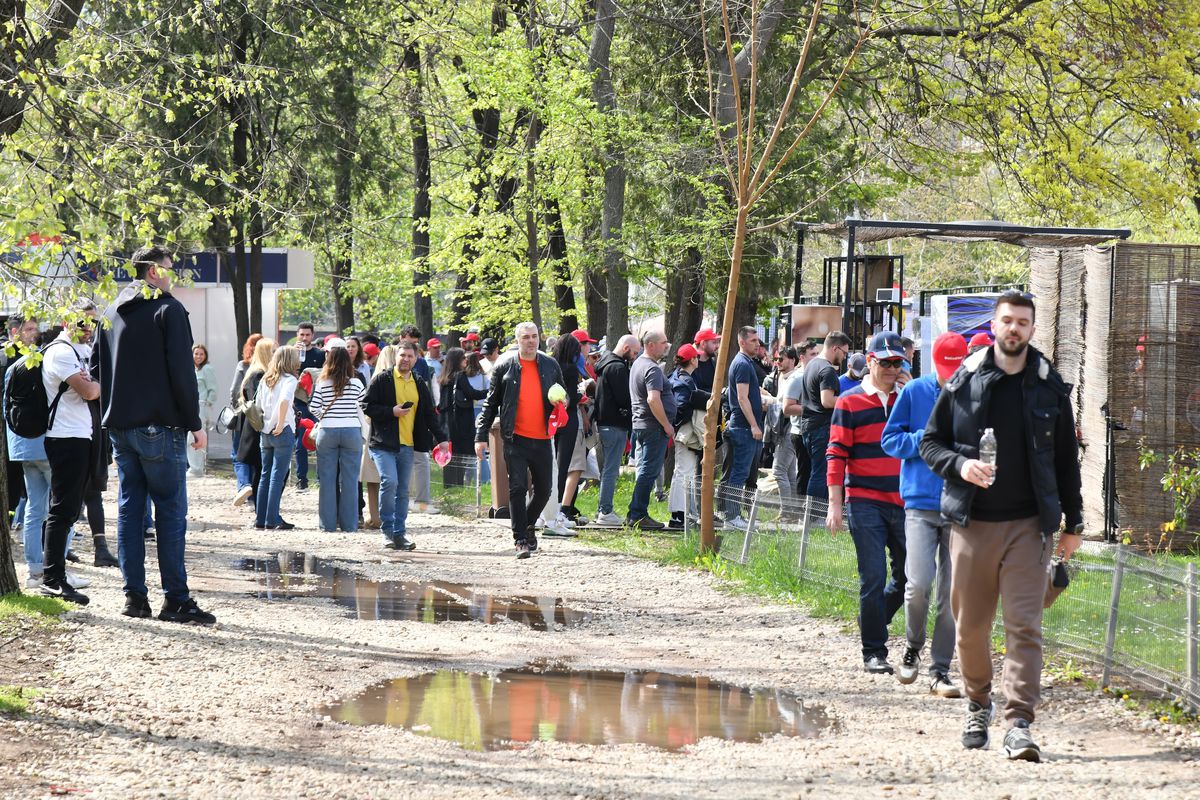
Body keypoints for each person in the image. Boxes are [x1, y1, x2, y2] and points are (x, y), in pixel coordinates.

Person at [919, 291, 1084, 762]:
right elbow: (931, 443)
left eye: (1023, 322)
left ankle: (1019, 723)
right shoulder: (965, 380)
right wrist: (960, 466)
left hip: (1030, 526)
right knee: (970, 629)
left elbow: (1065, 460)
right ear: (994, 326)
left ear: (1033, 329)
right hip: (972, 524)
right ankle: (977, 702)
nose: (1014, 329)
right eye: (1007, 321)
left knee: (1024, 627)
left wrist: (1074, 523)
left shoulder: (1050, 386)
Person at [94, 246, 214, 623]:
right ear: (151, 272)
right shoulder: (169, 309)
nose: (172, 274)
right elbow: (182, 372)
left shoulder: (111, 312)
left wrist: (109, 417)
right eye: (168, 267)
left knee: (130, 513)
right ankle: (176, 599)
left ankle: (134, 598)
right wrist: (195, 423)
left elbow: (99, 370)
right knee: (170, 512)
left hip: (120, 428)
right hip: (158, 426)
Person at [881, 331, 969, 698]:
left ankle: (940, 669)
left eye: (956, 368)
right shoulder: (914, 392)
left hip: (960, 505)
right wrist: (924, 440)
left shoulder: (973, 394)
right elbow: (890, 440)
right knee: (917, 584)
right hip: (919, 503)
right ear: (935, 364)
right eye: (945, 369)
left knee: (952, 595)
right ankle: (913, 646)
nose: (950, 375)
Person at [826, 331, 908, 675]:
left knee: (911, 575)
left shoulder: (909, 399)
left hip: (905, 502)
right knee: (872, 576)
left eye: (897, 363)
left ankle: (873, 617)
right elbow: (836, 453)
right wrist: (835, 503)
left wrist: (909, 393)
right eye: (885, 362)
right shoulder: (849, 402)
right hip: (864, 500)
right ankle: (874, 651)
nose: (892, 369)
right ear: (869, 362)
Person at [474, 322, 564, 558]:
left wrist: (562, 403)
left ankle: (528, 523)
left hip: (543, 437)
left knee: (544, 490)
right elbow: (490, 403)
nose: (531, 341)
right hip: (515, 437)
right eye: (526, 337)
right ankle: (520, 540)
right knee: (517, 487)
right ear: (518, 340)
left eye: (534, 336)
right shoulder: (505, 365)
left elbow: (564, 394)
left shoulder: (550, 364)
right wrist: (480, 436)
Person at [37, 301, 101, 605]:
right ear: (66, 322)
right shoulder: (60, 352)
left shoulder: (78, 351)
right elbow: (88, 391)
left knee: (69, 509)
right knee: (62, 510)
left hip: (80, 436)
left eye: (91, 322)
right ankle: (52, 578)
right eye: (82, 323)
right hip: (65, 438)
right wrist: (99, 384)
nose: (88, 328)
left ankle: (56, 574)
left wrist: (94, 382)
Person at [363, 341, 449, 551]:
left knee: (403, 490)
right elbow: (367, 406)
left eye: (410, 356)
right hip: (383, 443)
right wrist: (390, 412)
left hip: (408, 444)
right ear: (396, 356)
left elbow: (429, 413)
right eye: (402, 355)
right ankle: (386, 531)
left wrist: (442, 438)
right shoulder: (383, 379)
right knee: (389, 481)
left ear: (416, 358)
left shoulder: (419, 382)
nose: (406, 359)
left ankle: (399, 534)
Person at [310, 346, 366, 532]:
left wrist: (324, 417)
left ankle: (327, 525)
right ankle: (349, 525)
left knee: (327, 479)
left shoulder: (322, 383)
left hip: (327, 432)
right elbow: (364, 406)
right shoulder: (357, 384)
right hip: (352, 431)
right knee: (350, 480)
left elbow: (313, 407)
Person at [626, 331, 674, 530]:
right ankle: (637, 514)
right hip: (653, 426)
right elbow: (653, 399)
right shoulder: (652, 369)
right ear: (651, 345)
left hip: (642, 424)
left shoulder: (638, 364)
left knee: (646, 469)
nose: (666, 346)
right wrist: (666, 424)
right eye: (663, 343)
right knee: (649, 470)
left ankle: (636, 513)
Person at [592, 334, 640, 527]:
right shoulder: (618, 368)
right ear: (626, 347)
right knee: (611, 470)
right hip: (615, 423)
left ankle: (603, 509)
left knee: (609, 469)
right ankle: (605, 510)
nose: (635, 357)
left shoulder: (605, 363)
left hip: (605, 422)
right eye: (635, 352)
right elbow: (625, 398)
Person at [721, 326, 765, 529]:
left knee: (737, 473)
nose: (758, 344)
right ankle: (732, 517)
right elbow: (741, 397)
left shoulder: (746, 363)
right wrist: (754, 425)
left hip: (743, 427)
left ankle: (729, 513)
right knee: (739, 474)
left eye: (758, 340)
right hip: (743, 428)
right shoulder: (742, 364)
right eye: (754, 340)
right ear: (742, 342)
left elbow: (748, 393)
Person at [799, 330, 851, 499]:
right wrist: (851, 401)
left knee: (815, 471)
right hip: (821, 428)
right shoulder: (827, 370)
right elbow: (827, 401)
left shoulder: (812, 364)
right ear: (835, 348)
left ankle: (811, 516)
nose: (844, 357)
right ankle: (815, 517)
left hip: (808, 426)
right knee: (821, 473)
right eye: (844, 352)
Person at [254, 345, 301, 532]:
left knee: (265, 475)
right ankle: (272, 519)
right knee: (277, 476)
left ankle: (260, 518)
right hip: (283, 430)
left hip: (264, 430)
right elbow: (284, 401)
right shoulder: (289, 379)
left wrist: (268, 423)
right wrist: (281, 423)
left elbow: (257, 405)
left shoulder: (265, 379)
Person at [667, 344, 710, 529]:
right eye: (696, 357)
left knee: (683, 472)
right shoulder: (685, 381)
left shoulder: (676, 376)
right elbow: (682, 406)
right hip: (685, 432)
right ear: (692, 360)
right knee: (684, 473)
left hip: (682, 431)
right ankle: (679, 516)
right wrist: (681, 423)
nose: (698, 359)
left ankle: (681, 513)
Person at [398, 325, 438, 514]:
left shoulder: (420, 362)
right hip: (395, 419)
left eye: (415, 345)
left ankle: (422, 501)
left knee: (421, 459)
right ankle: (402, 498)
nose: (412, 349)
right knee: (399, 459)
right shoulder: (390, 356)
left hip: (418, 418)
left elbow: (426, 391)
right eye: (409, 343)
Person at [234, 337, 275, 508]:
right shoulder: (258, 373)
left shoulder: (258, 372)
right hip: (255, 427)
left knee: (260, 468)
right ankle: (260, 508)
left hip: (254, 426)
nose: (276, 355)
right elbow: (257, 402)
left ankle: (260, 506)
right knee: (260, 468)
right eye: (273, 351)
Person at [438, 347, 488, 487]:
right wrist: (491, 391)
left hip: (447, 423)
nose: (467, 360)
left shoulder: (444, 378)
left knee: (450, 456)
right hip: (461, 422)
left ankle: (449, 485)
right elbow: (472, 394)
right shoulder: (460, 376)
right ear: (457, 361)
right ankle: (458, 485)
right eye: (463, 358)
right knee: (461, 456)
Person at [291, 323, 325, 493]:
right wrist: (294, 355)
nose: (304, 338)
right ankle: (301, 479)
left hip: (317, 402)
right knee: (301, 441)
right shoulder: (291, 353)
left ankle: (320, 478)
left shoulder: (320, 354)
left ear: (312, 336)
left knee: (320, 439)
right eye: (301, 335)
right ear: (297, 335)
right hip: (299, 402)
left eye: (307, 335)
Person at [783, 340, 819, 498]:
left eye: (817, 353)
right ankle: (800, 513)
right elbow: (787, 408)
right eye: (813, 354)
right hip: (800, 433)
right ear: (802, 357)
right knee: (804, 474)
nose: (817, 357)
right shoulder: (797, 378)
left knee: (814, 472)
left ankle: (810, 512)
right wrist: (815, 409)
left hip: (815, 431)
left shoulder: (817, 374)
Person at [230, 333, 263, 503]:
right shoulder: (269, 369)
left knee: (238, 453)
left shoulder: (243, 366)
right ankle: (254, 497)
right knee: (257, 457)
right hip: (262, 418)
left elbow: (234, 391)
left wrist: (237, 408)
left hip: (244, 415)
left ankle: (244, 485)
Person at [769, 346, 801, 508]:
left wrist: (766, 400)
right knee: (789, 472)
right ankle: (793, 511)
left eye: (781, 359)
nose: (777, 363)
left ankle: (787, 511)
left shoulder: (794, 378)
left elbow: (784, 405)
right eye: (775, 359)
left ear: (792, 360)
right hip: (785, 429)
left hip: (790, 428)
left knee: (779, 470)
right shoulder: (783, 377)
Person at [187, 344, 216, 477]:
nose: (198, 356)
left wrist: (207, 404)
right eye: (196, 353)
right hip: (189, 406)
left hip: (201, 406)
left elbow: (213, 390)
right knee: (188, 438)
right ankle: (192, 466)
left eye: (201, 354)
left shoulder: (207, 369)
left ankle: (196, 469)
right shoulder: (190, 369)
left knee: (196, 437)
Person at [691, 328, 720, 393]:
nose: (717, 346)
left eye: (718, 342)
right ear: (703, 343)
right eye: (714, 342)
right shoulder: (690, 365)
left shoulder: (713, 363)